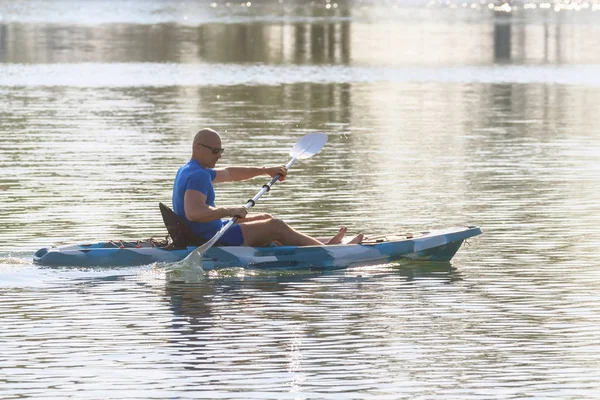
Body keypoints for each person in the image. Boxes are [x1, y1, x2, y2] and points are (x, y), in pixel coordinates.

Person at [172, 128, 363, 247]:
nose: (219, 155)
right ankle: (328, 251)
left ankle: (321, 243)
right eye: (215, 151)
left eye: (221, 150)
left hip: (208, 230)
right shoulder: (198, 175)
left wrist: (265, 170)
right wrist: (229, 210)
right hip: (211, 238)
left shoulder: (191, 169)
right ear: (197, 148)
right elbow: (194, 213)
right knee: (275, 226)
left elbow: (230, 173)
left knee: (266, 218)